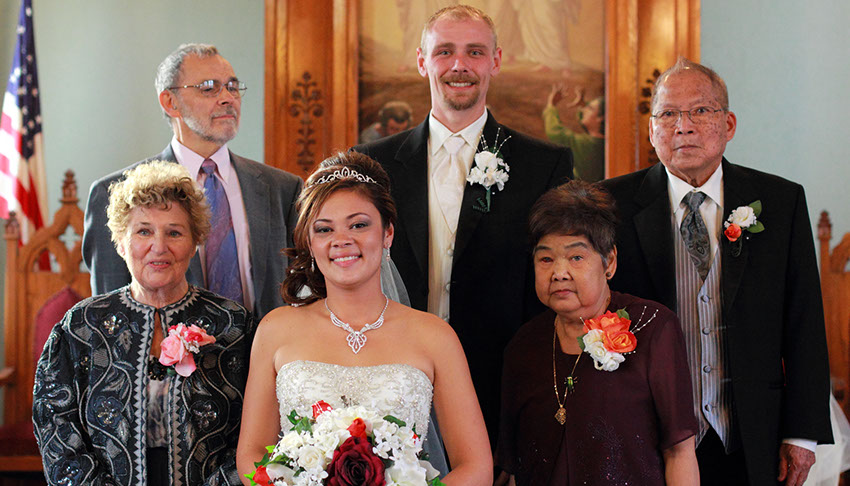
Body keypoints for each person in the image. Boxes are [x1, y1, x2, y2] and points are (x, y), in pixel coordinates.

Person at [601, 57, 832, 485]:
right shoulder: (609, 205)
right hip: (646, 433)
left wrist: (802, 433)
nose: (683, 127)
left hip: (751, 432)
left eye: (700, 111)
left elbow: (804, 321)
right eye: (668, 114)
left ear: (728, 124)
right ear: (652, 130)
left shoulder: (780, 202)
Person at [352, 4, 573, 442]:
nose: (459, 65)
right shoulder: (372, 163)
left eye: (474, 52)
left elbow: (555, 281)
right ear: (422, 61)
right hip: (389, 382)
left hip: (503, 383)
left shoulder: (543, 164)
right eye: (444, 52)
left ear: (495, 61)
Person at [235, 152, 493, 485]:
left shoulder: (435, 336)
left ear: (387, 233)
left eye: (359, 225)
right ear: (309, 242)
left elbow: (476, 467)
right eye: (324, 229)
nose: (341, 240)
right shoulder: (275, 330)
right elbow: (252, 454)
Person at [33, 161, 251, 485]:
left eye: (174, 232)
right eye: (144, 231)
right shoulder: (81, 326)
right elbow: (55, 426)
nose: (159, 247)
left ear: (195, 243)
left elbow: (256, 433)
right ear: (121, 243)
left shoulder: (234, 325)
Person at [496, 180, 699, 486]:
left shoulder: (653, 327)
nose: (559, 273)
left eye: (576, 258)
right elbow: (512, 468)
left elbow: (679, 452)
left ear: (609, 262)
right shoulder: (524, 344)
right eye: (546, 259)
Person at [83, 43, 302, 321]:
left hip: (266, 346)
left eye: (232, 87)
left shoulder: (282, 189)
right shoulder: (114, 193)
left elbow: (297, 293)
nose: (227, 98)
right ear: (170, 102)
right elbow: (111, 316)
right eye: (209, 88)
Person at [543, 84, 605, 182]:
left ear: (600, 119)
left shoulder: (586, 145)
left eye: (590, 108)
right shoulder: (603, 143)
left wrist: (551, 105)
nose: (584, 110)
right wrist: (583, 105)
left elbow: (555, 132)